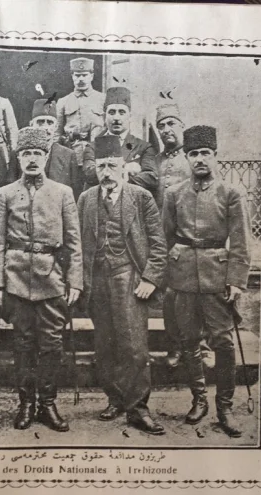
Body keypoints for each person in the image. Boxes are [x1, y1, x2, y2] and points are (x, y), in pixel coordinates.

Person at [0, 127, 83, 432]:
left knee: (52, 344)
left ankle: (48, 404)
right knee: (23, 344)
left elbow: (74, 242)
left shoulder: (63, 192)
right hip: (16, 279)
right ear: (18, 158)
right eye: (26, 153)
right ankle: (26, 404)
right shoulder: (5, 193)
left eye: (38, 154)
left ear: (46, 156)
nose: (32, 159)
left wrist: (75, 281)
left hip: (52, 279)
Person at [162, 125, 250, 438]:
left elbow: (240, 241)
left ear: (215, 156)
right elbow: (166, 236)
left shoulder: (230, 193)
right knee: (188, 340)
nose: (200, 159)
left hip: (217, 277)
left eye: (205, 153)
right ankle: (198, 399)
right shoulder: (174, 194)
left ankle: (225, 407)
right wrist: (171, 271)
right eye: (194, 154)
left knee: (223, 343)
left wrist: (236, 280)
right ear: (186, 158)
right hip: (183, 276)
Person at [78, 135, 167, 435]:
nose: (106, 173)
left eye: (112, 166)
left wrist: (150, 278)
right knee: (105, 344)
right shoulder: (86, 199)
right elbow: (77, 244)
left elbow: (158, 244)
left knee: (134, 346)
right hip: (97, 280)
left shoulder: (141, 198)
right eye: (101, 166)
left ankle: (138, 408)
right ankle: (115, 398)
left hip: (129, 278)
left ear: (123, 167)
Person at [153, 103, 194, 368]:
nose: (166, 129)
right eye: (161, 126)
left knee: (191, 296)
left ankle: (198, 346)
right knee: (169, 297)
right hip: (163, 236)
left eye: (171, 124)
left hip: (188, 236)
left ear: (182, 126)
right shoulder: (156, 161)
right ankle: (174, 346)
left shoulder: (192, 158)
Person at [82, 87, 158, 195]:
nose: (116, 118)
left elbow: (151, 177)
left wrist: (116, 176)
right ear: (104, 116)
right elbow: (89, 174)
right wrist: (125, 169)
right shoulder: (93, 147)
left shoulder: (143, 147)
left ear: (130, 116)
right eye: (112, 112)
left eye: (122, 112)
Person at [10, 98, 80, 197]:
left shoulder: (68, 155)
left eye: (50, 123)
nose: (45, 127)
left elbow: (74, 194)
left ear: (56, 127)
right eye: (40, 122)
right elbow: (10, 191)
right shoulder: (18, 153)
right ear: (31, 124)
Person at [56, 57, 105, 169]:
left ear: (91, 76)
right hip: (71, 154)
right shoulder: (63, 101)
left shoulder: (102, 99)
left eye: (85, 75)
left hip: (97, 154)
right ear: (72, 76)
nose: (81, 79)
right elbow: (57, 133)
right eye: (77, 75)